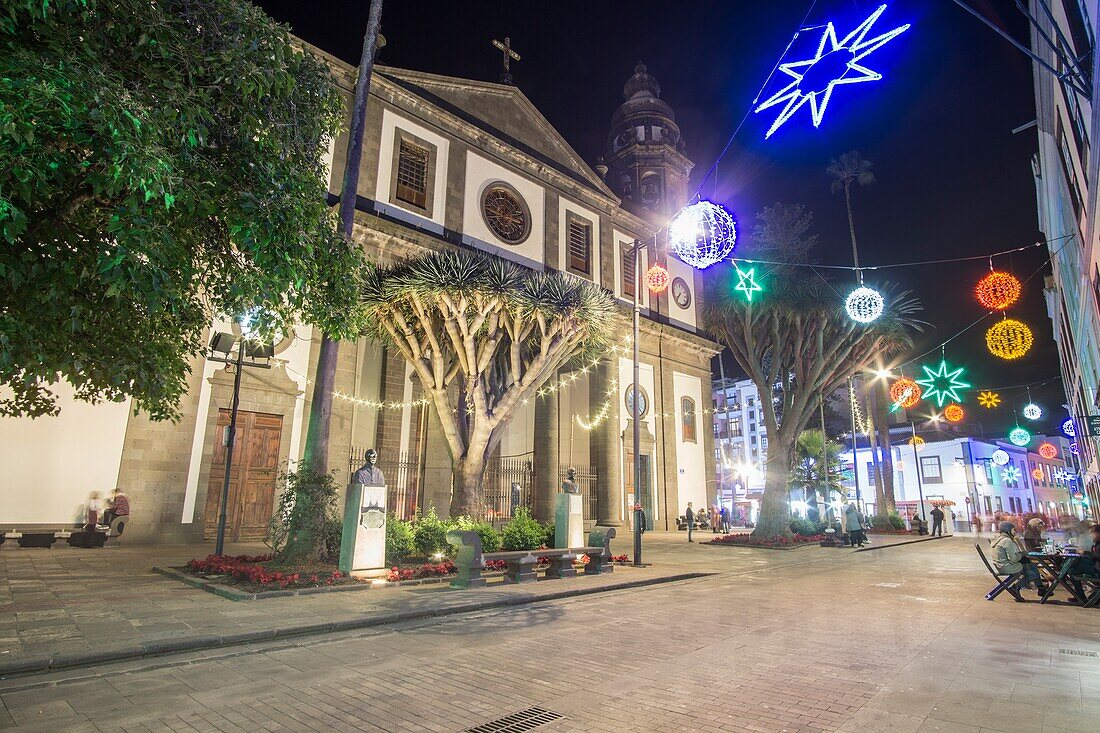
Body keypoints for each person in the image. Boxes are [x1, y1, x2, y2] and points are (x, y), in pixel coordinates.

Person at [990, 521, 1046, 595]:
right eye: (1013, 530)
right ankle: (1017, 587)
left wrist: (1020, 555)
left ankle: (1041, 588)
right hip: (1007, 567)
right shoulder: (1007, 541)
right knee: (1031, 571)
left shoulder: (998, 539)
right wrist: (1021, 555)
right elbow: (1013, 559)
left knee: (1031, 566)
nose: (1014, 532)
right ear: (1008, 530)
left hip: (1001, 565)